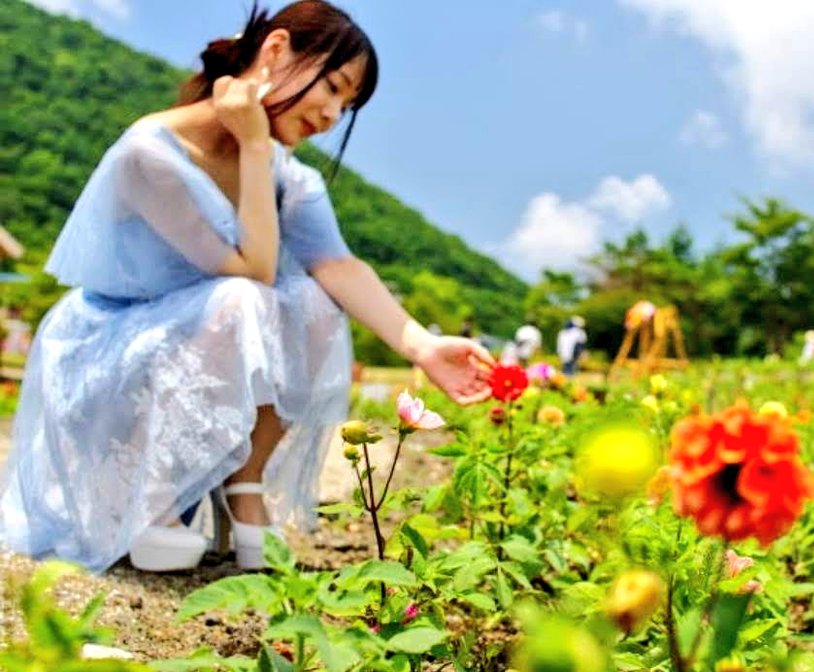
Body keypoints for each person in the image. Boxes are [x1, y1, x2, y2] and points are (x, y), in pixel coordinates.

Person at [0, 1, 493, 574]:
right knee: (244, 298)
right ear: (276, 49)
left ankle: (244, 477)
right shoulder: (151, 153)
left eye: (346, 104)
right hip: (110, 349)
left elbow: (337, 265)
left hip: (197, 337)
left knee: (314, 303)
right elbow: (250, 271)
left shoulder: (290, 175)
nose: (333, 114)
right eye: (332, 87)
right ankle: (157, 493)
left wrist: (421, 345)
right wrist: (256, 146)